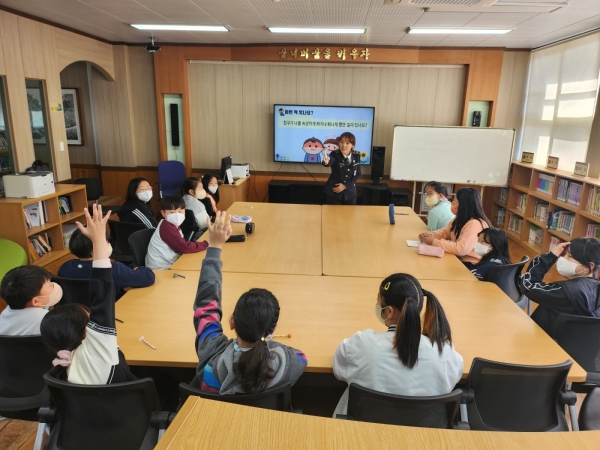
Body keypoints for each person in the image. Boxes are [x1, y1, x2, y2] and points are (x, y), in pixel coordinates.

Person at [192, 211, 307, 394]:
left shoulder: (211, 351)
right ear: (273, 329)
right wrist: (267, 341)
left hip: (213, 420)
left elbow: (206, 306)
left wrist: (214, 246)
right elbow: (302, 357)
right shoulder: (287, 362)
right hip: (259, 423)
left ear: (232, 322)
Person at [332, 273, 463, 416]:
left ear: (389, 312)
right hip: (421, 436)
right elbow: (453, 379)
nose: (377, 305)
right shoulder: (446, 353)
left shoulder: (362, 344)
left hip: (363, 434)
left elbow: (338, 369)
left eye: (378, 301)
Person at [40, 205, 136, 384]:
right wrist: (99, 240)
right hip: (120, 409)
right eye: (90, 319)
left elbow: (103, 295)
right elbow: (102, 290)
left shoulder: (58, 367)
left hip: (86, 410)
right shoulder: (101, 349)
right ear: (86, 332)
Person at [520, 238, 600, 337]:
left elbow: (528, 286)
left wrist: (549, 257)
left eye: (569, 256)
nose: (562, 259)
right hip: (573, 346)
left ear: (590, 266)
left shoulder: (566, 291)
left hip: (545, 341)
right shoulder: (595, 286)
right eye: (564, 254)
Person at [58, 228, 155, 299]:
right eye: (106, 242)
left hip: (79, 317)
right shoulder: (113, 269)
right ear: (94, 250)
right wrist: (139, 269)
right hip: (111, 315)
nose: (109, 245)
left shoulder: (65, 267)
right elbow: (148, 277)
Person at [419, 188, 492, 265]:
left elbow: (461, 249)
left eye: (454, 200)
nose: (452, 202)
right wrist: (431, 235)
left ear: (462, 204)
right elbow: (446, 231)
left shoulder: (474, 224)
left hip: (471, 264)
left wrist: (434, 241)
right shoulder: (460, 219)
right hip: (459, 259)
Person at [146, 195, 208, 270]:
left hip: (168, 263)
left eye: (180, 211)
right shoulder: (166, 227)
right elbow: (183, 247)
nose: (177, 215)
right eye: (172, 212)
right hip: (160, 268)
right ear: (163, 213)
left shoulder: (172, 224)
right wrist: (206, 244)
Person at [0, 266, 63, 335]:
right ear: (36, 301)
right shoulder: (46, 320)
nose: (53, 284)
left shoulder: (5, 313)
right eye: (50, 285)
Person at [322, 132, 361, 205]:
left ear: (352, 145)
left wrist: (345, 186)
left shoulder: (356, 155)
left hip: (350, 193)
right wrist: (326, 162)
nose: (343, 145)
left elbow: (358, 173)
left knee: (350, 215)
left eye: (347, 143)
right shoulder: (334, 154)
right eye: (341, 142)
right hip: (334, 192)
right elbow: (330, 161)